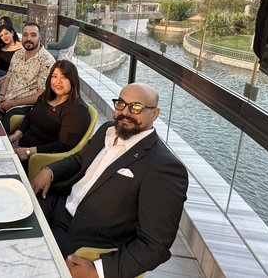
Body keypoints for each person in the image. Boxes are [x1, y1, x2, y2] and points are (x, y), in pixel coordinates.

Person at [30, 82, 188, 278]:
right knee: (7, 220)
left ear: (154, 114)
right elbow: (79, 159)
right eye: (121, 104)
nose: (125, 112)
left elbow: (155, 245)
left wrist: (99, 271)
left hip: (85, 237)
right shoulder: (107, 129)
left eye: (136, 107)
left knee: (27, 265)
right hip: (59, 203)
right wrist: (50, 171)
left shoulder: (163, 167)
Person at [8, 60, 91, 167]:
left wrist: (28, 151)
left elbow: (63, 146)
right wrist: (18, 133)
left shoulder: (77, 111)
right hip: (19, 145)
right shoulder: (46, 96)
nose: (58, 81)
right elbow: (30, 116)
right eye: (55, 76)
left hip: (37, 158)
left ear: (73, 81)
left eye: (64, 77)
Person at [0, 23, 55, 126]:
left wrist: (12, 103)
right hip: (6, 97)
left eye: (33, 35)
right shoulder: (18, 54)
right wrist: (1, 95)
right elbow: (8, 77)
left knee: (0, 129)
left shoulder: (47, 61)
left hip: (23, 106)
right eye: (25, 35)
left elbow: (41, 95)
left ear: (39, 37)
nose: (28, 38)